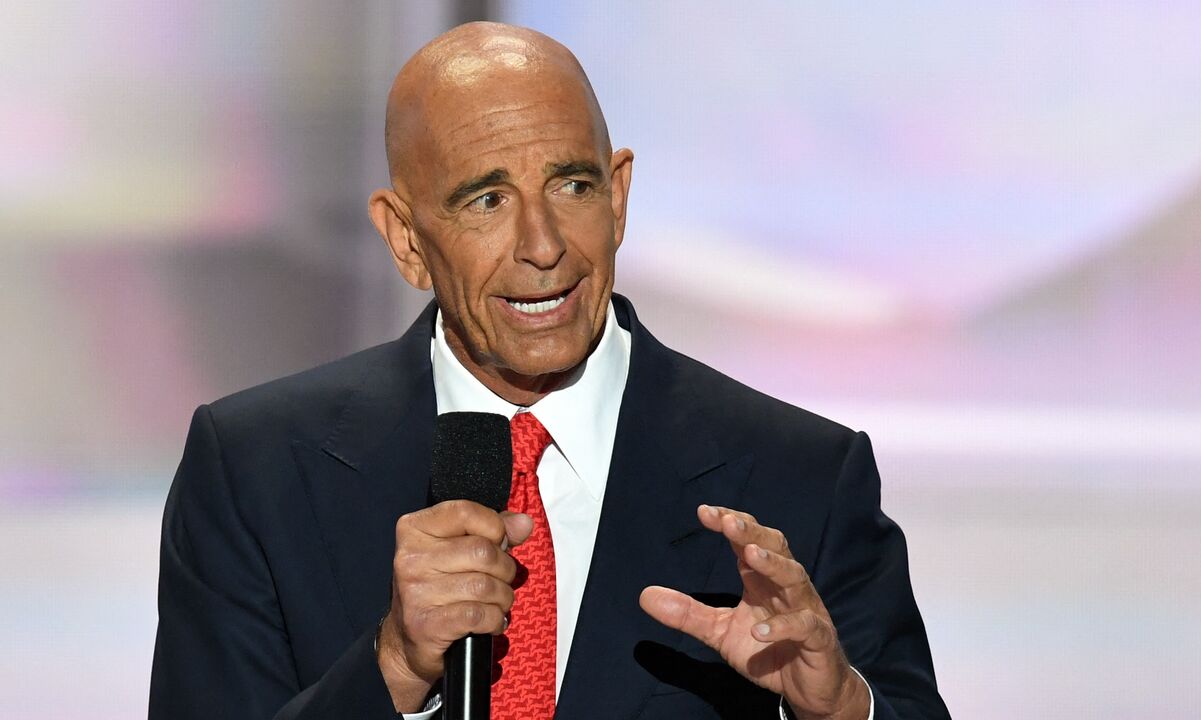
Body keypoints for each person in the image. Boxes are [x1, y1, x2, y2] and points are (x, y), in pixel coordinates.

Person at [148, 22, 948, 720]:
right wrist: (392, 668)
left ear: (620, 194)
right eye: (486, 201)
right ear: (403, 239)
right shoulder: (255, 473)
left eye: (572, 185)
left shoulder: (800, 477)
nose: (543, 245)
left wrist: (839, 710)